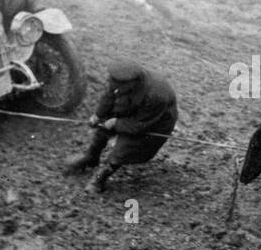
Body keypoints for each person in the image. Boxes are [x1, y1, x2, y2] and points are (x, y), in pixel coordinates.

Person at [65, 61, 179, 193]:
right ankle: (91, 157)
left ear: (133, 83)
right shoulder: (120, 82)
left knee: (123, 149)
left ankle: (99, 179)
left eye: (119, 87)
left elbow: (139, 126)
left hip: (153, 122)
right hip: (132, 107)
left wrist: (116, 123)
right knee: (102, 127)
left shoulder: (156, 95)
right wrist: (98, 115)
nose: (115, 88)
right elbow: (108, 96)